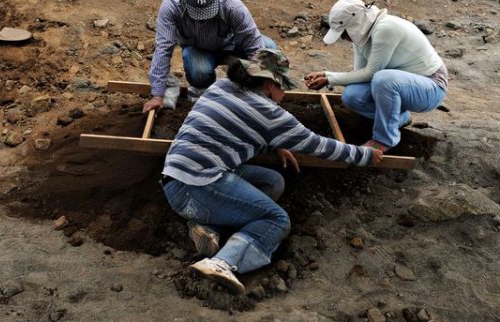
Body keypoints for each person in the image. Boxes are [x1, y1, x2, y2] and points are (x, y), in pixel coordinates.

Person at [160, 48, 383, 294]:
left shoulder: (221, 87)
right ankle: (222, 262)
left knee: (272, 181)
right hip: (197, 187)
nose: (284, 93)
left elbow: (239, 127)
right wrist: (364, 155)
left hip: (176, 179)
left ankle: (207, 228)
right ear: (268, 84)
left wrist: (275, 144)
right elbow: (318, 145)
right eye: (282, 86)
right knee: (276, 220)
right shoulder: (270, 113)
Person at [305, 0, 448, 152]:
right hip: (401, 85)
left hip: (431, 87)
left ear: (355, 25)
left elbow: (372, 73)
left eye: (343, 32)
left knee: (383, 79)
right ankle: (400, 119)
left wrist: (329, 79)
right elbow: (359, 75)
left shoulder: (386, 28)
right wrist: (326, 75)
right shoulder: (362, 38)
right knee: (351, 95)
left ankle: (384, 140)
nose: (343, 38)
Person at [143, 0, 276, 113]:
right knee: (199, 71)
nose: (202, 19)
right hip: (199, 50)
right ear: (185, 1)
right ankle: (207, 94)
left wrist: (261, 89)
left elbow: (253, 43)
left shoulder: (232, 5)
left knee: (268, 49)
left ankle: (247, 91)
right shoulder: (171, 6)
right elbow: (163, 49)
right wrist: (157, 95)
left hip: (232, 46)